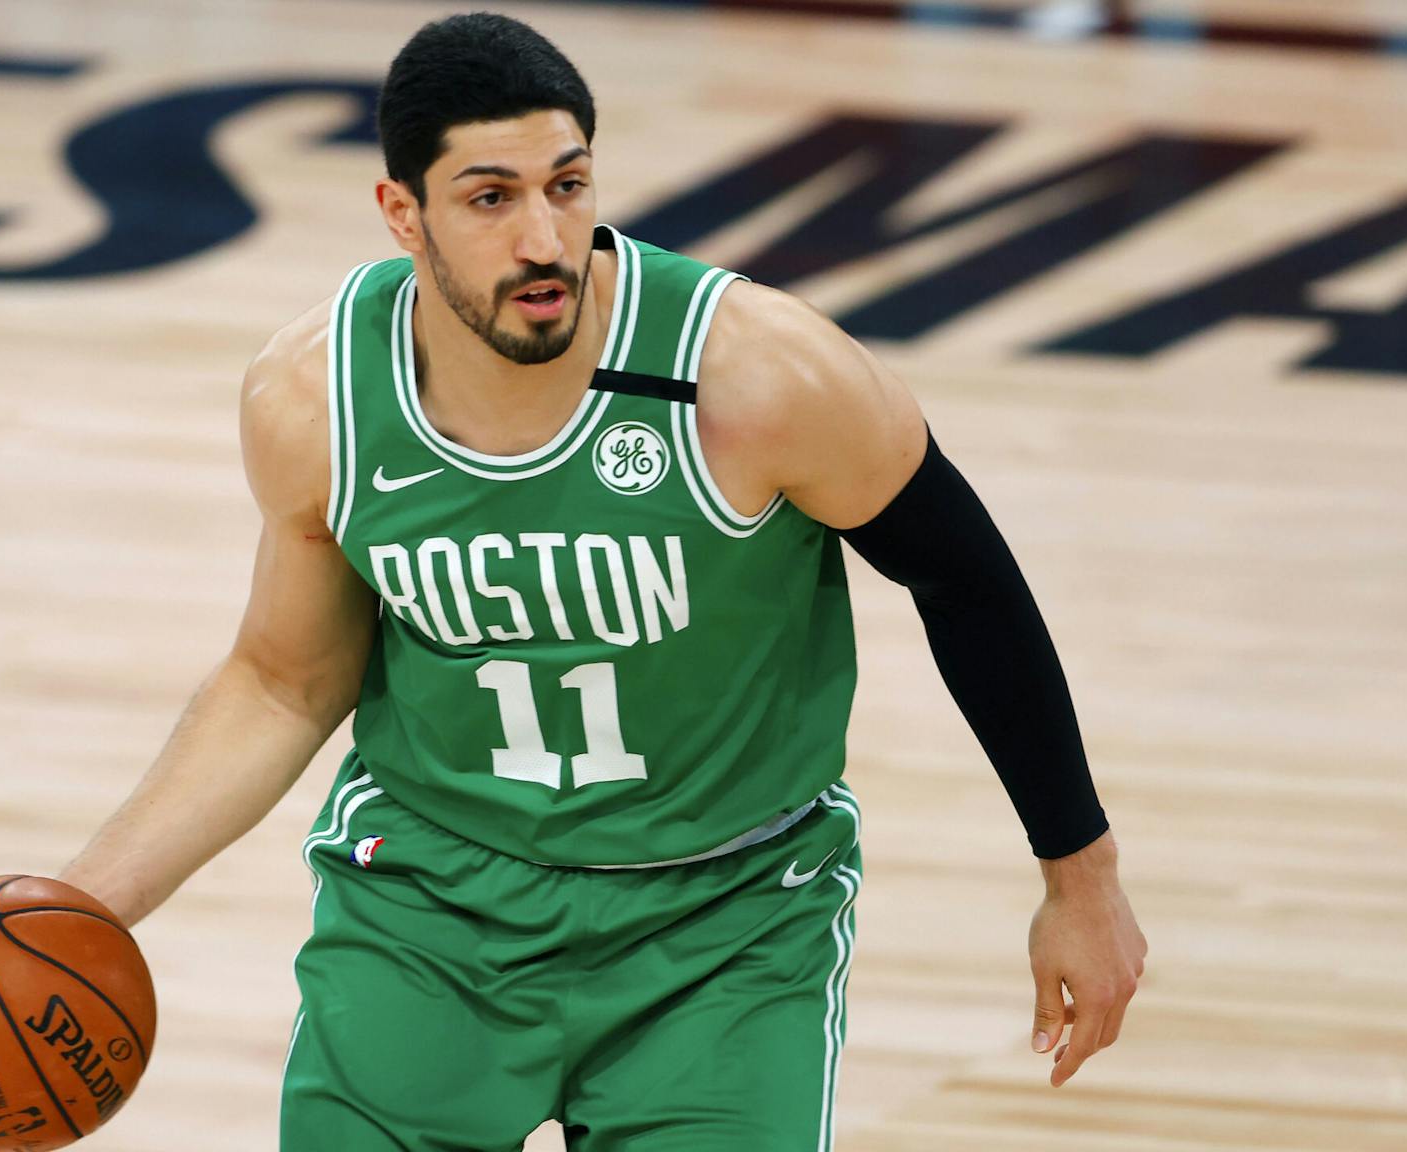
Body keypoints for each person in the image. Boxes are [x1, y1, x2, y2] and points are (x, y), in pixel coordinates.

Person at [57, 12, 1147, 1149]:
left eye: (566, 186)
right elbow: (285, 681)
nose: (543, 239)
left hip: (721, 926)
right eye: (489, 198)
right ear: (401, 214)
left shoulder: (758, 376)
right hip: (429, 912)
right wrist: (77, 912)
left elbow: (967, 583)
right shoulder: (316, 397)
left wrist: (1081, 880)